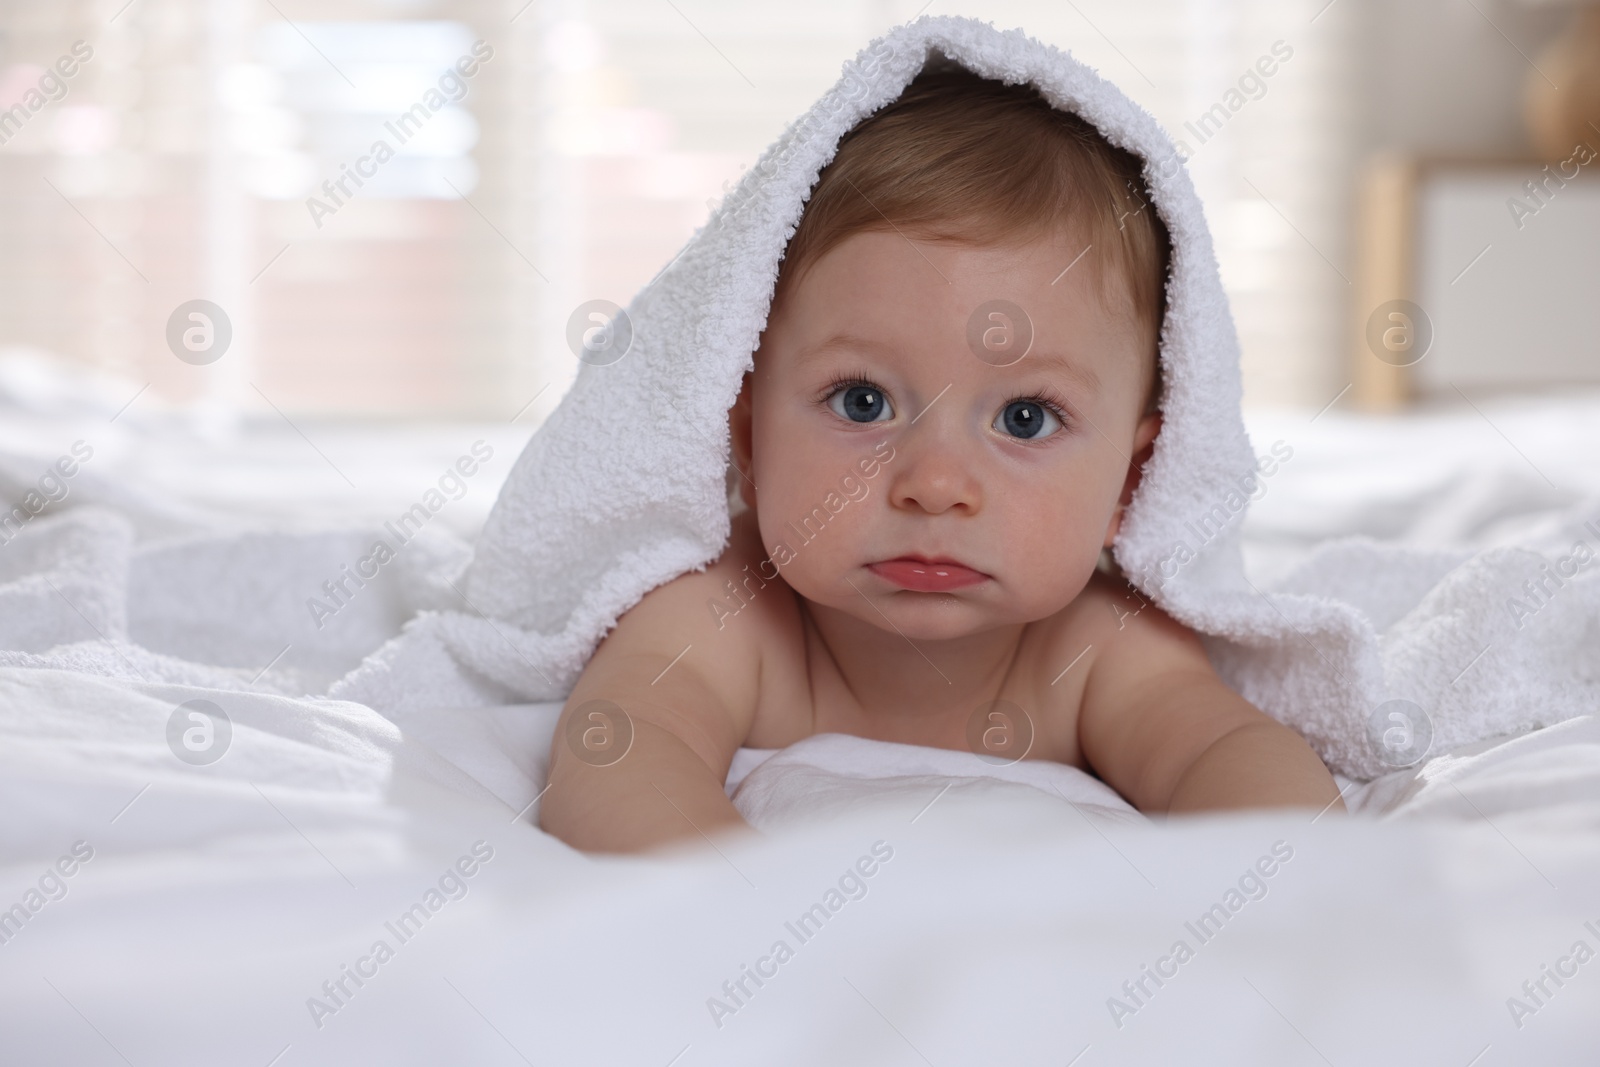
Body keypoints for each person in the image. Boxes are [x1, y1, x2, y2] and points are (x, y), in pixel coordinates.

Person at [540, 62, 1343, 853]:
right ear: (749, 441)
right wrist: (737, 906)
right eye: (863, 401)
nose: (934, 485)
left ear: (1133, 483)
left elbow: (1234, 761)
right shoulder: (723, 612)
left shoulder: (1099, 647)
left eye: (1025, 418)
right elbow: (617, 749)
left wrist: (1254, 901)